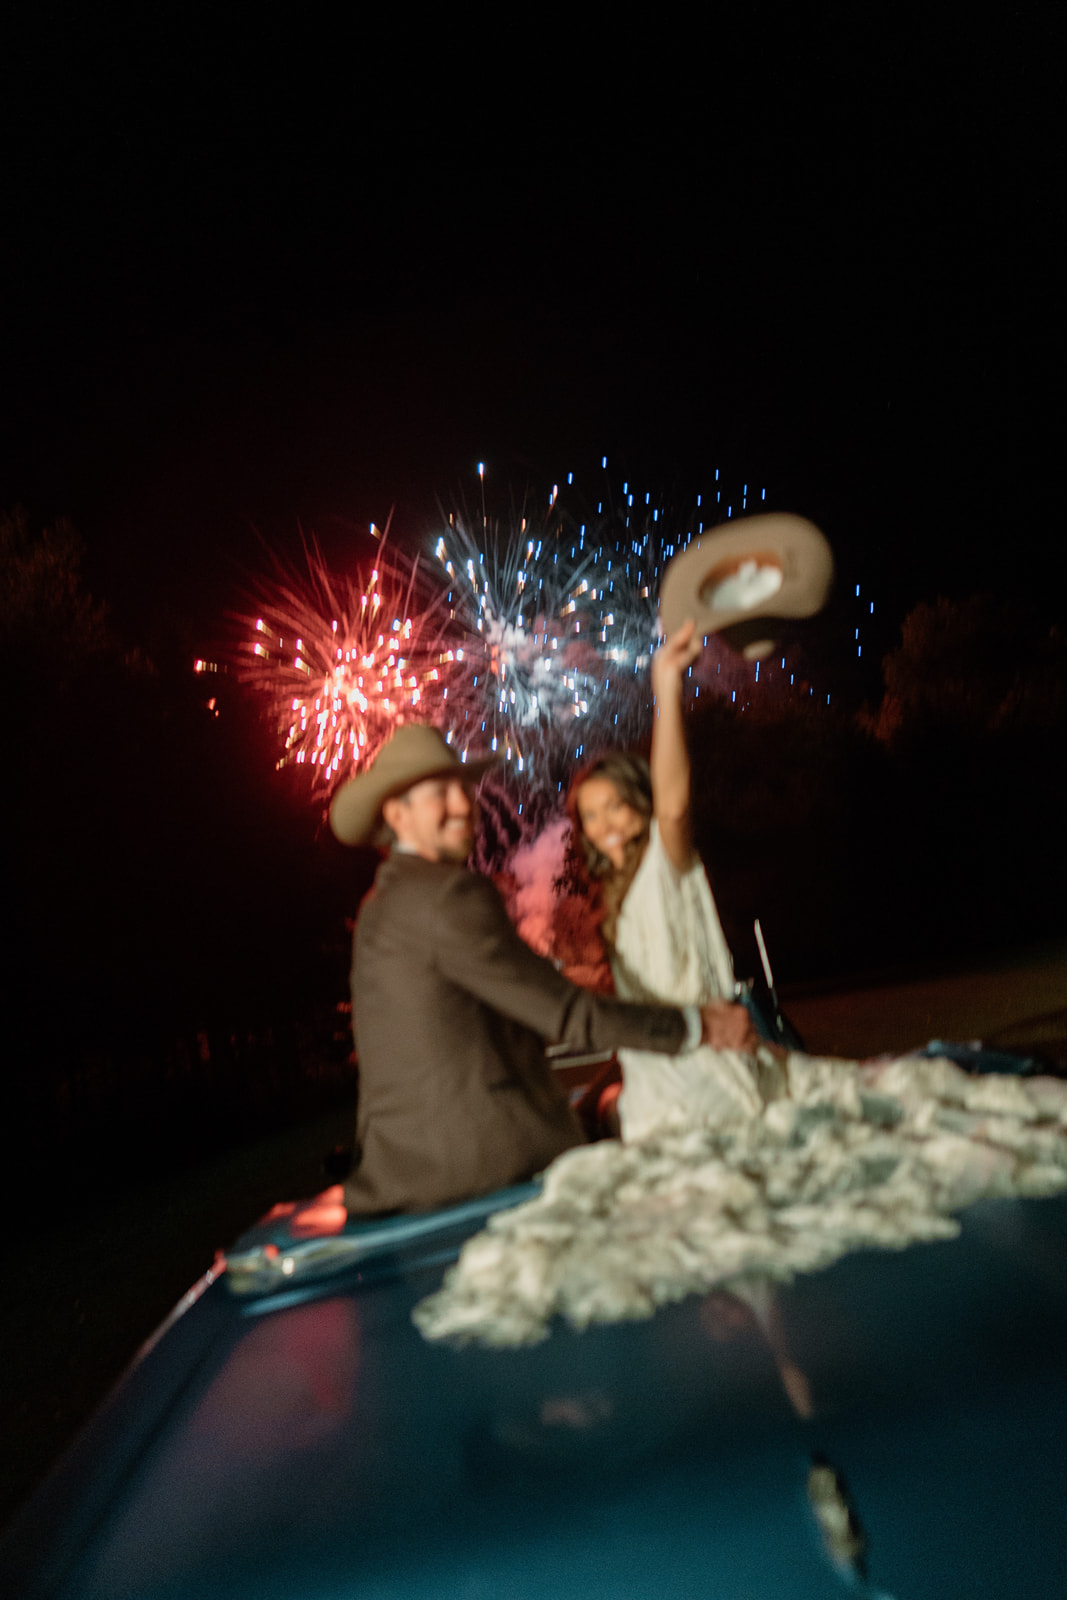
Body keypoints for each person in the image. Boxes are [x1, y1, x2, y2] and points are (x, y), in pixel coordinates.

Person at [328, 722, 757, 1217]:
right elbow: (567, 1015)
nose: (464, 804)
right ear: (395, 813)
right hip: (481, 1159)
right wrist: (699, 1026)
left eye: (464, 788)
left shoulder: (381, 904)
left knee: (612, 1099)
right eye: (440, 793)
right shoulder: (451, 895)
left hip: (405, 1162)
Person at [568, 620, 771, 1141]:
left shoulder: (665, 862)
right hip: (658, 1062)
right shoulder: (612, 897)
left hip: (695, 1073)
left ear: (642, 805)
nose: (605, 824)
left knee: (597, 1111)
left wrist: (665, 684)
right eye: (591, 815)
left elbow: (675, 805)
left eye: (616, 806)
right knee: (594, 1102)